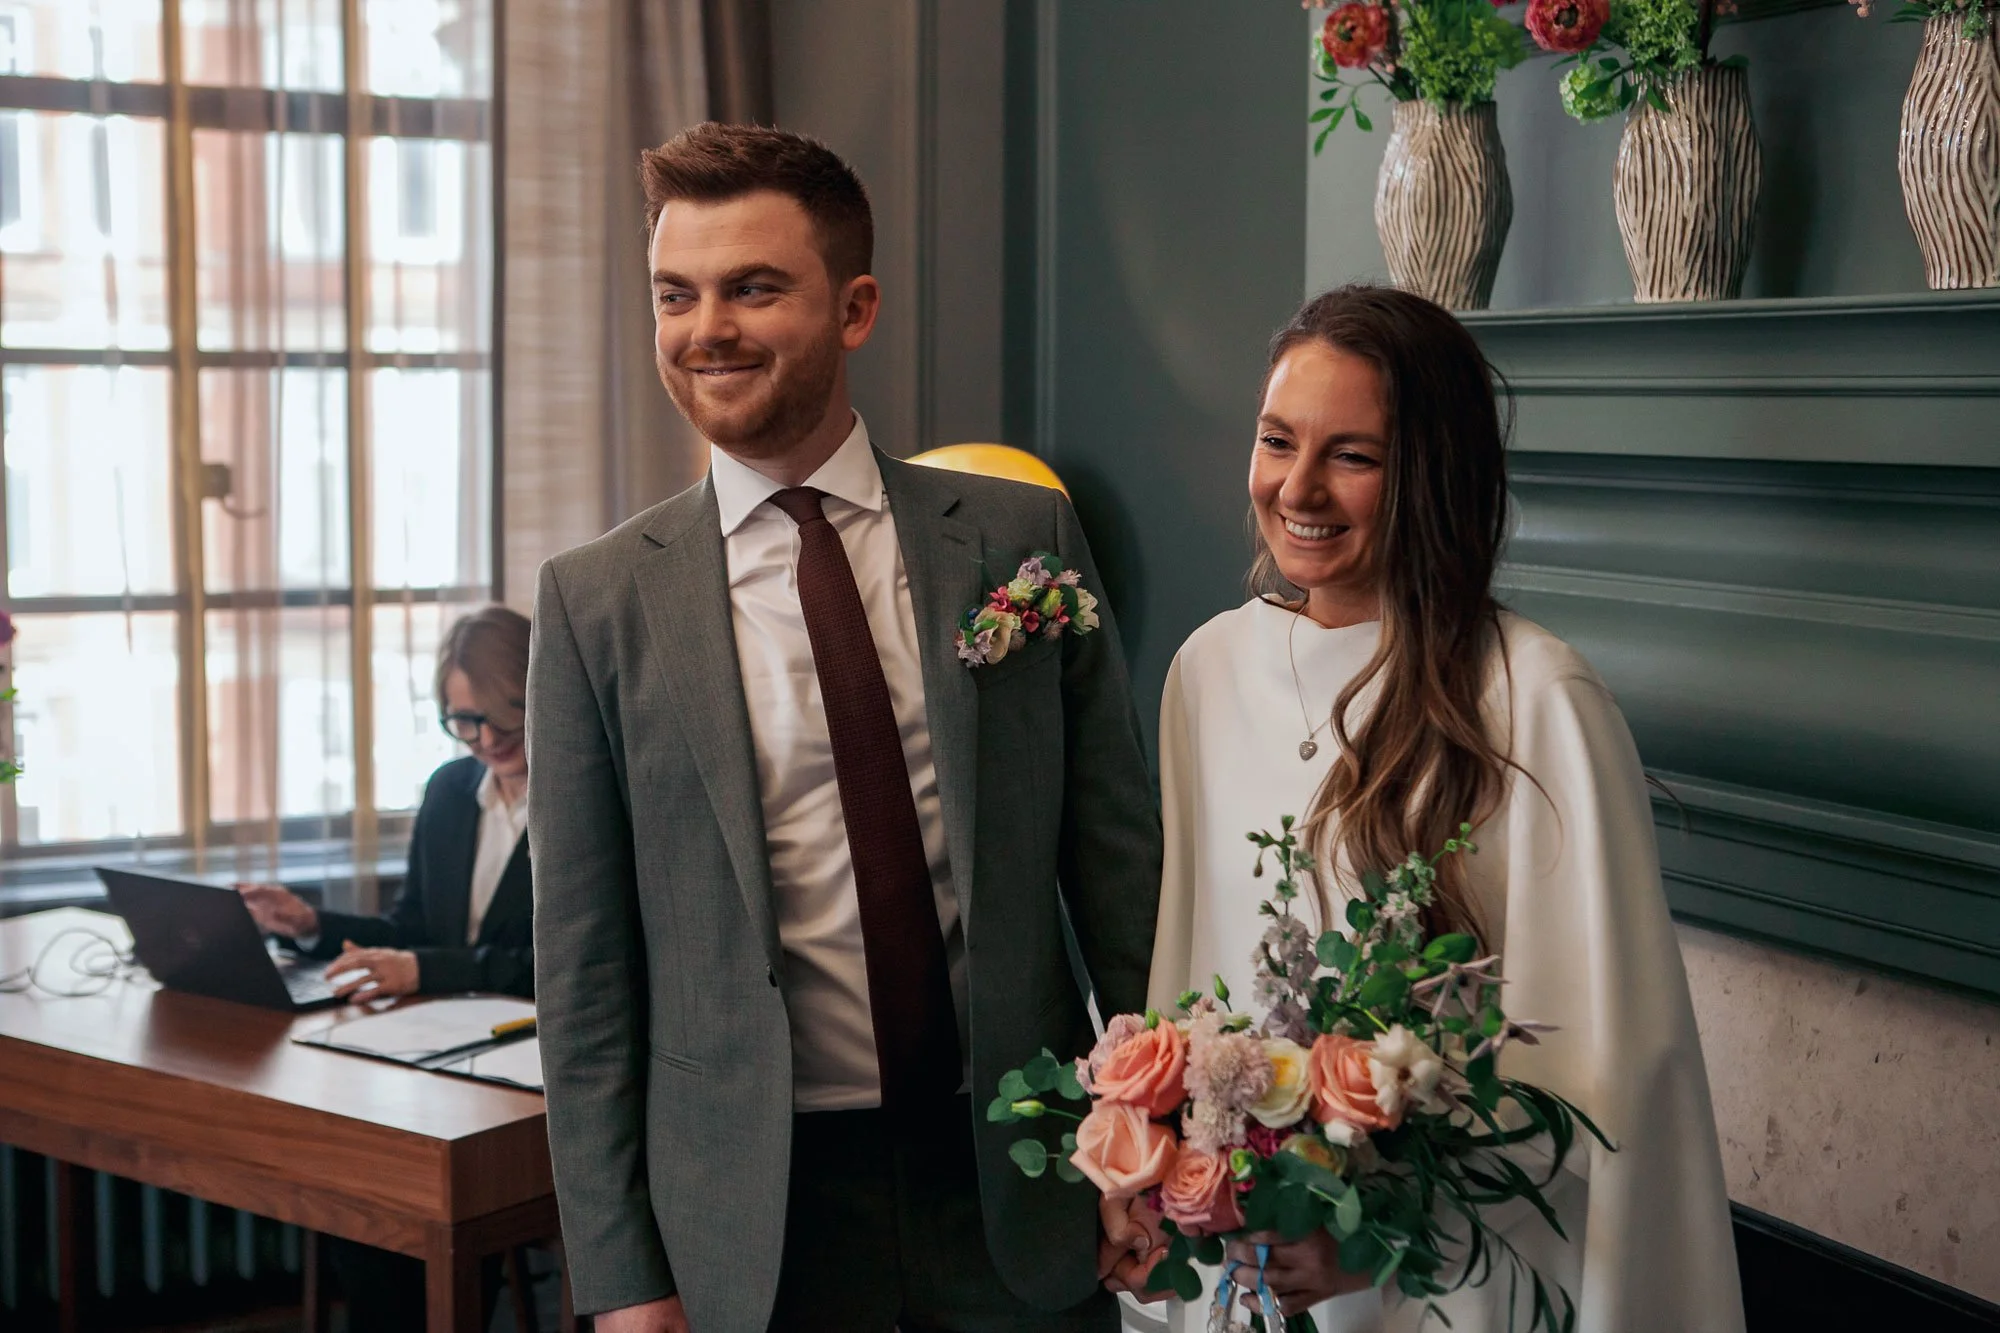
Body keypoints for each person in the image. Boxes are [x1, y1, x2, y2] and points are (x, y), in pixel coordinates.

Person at [526, 122, 1162, 1333]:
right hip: (754, 1228)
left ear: (854, 307)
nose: (705, 327)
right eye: (676, 294)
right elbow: (585, 978)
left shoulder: (1022, 540)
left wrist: (1159, 1140)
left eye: (752, 287)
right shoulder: (596, 601)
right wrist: (620, 1279)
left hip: (1023, 1187)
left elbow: (1118, 870)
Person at [1141, 286, 1745, 1332]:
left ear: (1431, 474)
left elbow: (1595, 1070)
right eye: (1276, 440)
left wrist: (1379, 1223)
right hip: (1247, 1276)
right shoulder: (1206, 671)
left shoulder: (1533, 699)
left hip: (1450, 1289)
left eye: (1352, 456)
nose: (1297, 486)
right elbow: (1189, 977)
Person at [240, 605, 535, 1003]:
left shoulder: (588, 803)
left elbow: (571, 967)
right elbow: (411, 935)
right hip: (442, 1024)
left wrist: (425, 970)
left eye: (503, 714)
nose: (486, 739)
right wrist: (310, 925)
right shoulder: (450, 790)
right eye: (465, 721)